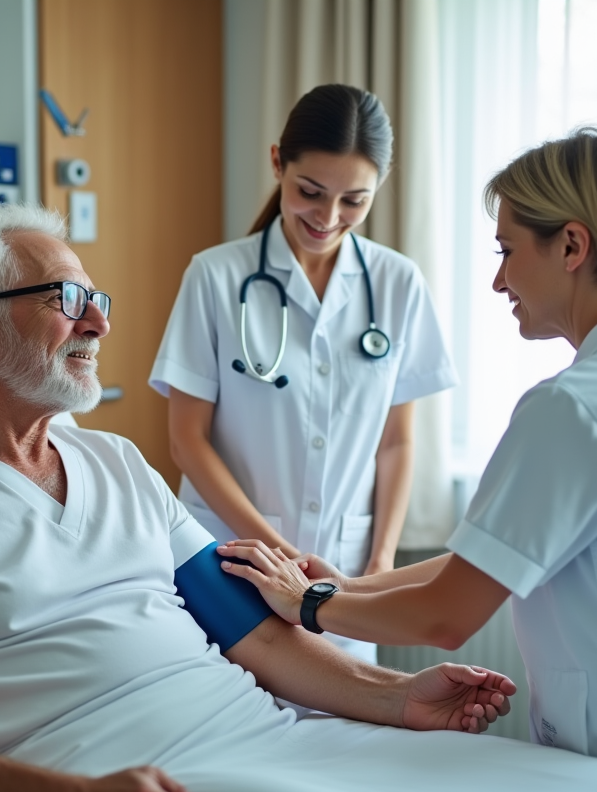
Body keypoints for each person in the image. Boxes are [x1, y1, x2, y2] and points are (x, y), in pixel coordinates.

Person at [0, 204, 524, 792]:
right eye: (66, 299)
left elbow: (258, 638)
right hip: (118, 775)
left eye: (96, 300)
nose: (100, 323)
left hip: (275, 744)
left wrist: (400, 696)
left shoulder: (116, 461)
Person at [218, 128, 597, 792]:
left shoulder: (576, 408)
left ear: (572, 246)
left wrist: (310, 606)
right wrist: (349, 587)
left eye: (508, 250)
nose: (498, 280)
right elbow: (496, 560)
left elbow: (446, 615)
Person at [149, 84, 456, 663]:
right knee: (230, 720)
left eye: (354, 201)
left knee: (350, 722)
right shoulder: (215, 277)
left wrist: (380, 566)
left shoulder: (398, 284)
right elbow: (186, 441)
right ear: (276, 163)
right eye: (310, 192)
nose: (329, 217)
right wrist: (279, 554)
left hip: (346, 577)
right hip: (229, 559)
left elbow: (396, 441)